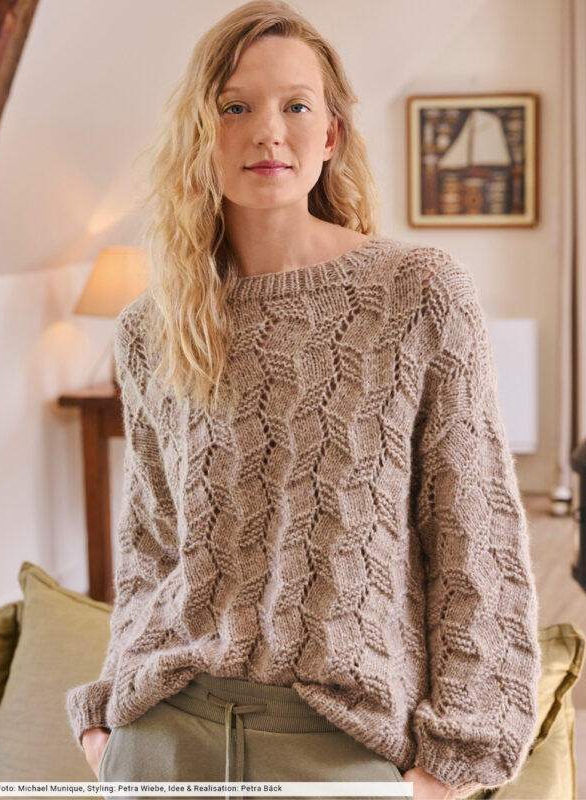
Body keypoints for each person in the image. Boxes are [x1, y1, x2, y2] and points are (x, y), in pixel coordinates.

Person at [65, 2, 542, 799]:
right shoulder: (151, 329)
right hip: (162, 740)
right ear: (199, 133)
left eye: (295, 105)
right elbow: (151, 544)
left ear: (331, 135)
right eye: (235, 107)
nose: (267, 132)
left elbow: (475, 540)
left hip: (340, 745)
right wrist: (105, 724)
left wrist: (449, 765)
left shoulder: (418, 293)